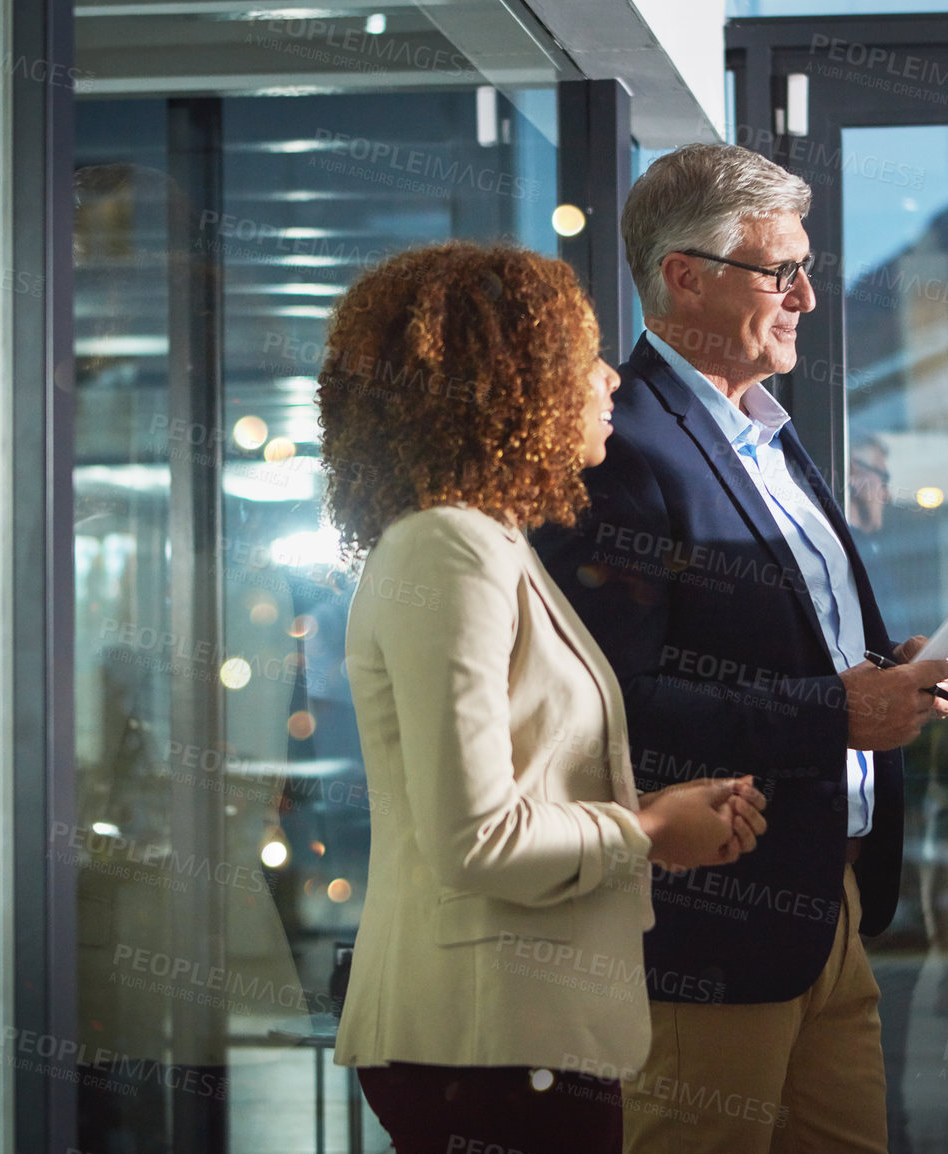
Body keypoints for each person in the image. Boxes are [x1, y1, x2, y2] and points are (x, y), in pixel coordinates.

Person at [533, 142, 948, 1154]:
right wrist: (841, 710)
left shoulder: (773, 436)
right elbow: (617, 703)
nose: (808, 298)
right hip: (712, 920)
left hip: (835, 904)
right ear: (685, 275)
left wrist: (906, 669)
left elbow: (813, 649)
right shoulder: (620, 453)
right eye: (783, 272)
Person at [322, 243, 769, 1154]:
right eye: (580, 357)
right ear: (503, 383)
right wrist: (646, 831)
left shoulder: (484, 541)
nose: (608, 377)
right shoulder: (451, 548)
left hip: (512, 1038)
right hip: (484, 1043)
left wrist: (665, 820)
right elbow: (477, 841)